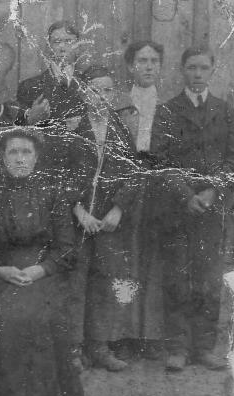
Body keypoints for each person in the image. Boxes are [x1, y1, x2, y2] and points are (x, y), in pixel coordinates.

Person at [0, 128, 83, 396]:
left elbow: (66, 247)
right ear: (3, 157)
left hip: (44, 271)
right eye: (13, 152)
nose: (20, 158)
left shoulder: (53, 191)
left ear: (36, 157)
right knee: (6, 317)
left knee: (36, 315)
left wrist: (40, 270)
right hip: (1, 270)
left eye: (26, 152)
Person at [150, 46, 234, 372]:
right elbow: (160, 161)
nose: (198, 74)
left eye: (204, 68)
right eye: (192, 68)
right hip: (178, 209)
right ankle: (177, 348)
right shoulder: (167, 111)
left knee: (207, 279)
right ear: (182, 70)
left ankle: (204, 347)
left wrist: (212, 192)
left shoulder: (224, 110)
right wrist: (186, 196)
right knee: (177, 278)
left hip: (212, 209)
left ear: (212, 70)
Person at [71, 65, 143, 371]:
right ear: (83, 92)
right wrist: (78, 211)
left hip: (107, 222)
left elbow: (134, 174)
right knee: (75, 282)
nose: (101, 96)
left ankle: (99, 347)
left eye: (107, 90)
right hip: (75, 219)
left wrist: (118, 208)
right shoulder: (72, 128)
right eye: (95, 90)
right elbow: (58, 176)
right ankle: (73, 350)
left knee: (103, 283)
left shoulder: (120, 130)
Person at [112, 40, 168, 360]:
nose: (148, 66)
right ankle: (123, 333)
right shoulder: (119, 104)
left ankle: (151, 334)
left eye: (154, 61)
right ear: (130, 65)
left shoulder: (168, 105)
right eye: (142, 60)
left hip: (156, 185)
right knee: (125, 257)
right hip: (125, 185)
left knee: (153, 257)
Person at [16, 20, 85, 130]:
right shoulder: (29, 86)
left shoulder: (88, 84)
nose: (62, 47)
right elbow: (16, 129)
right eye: (56, 42)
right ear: (49, 47)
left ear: (78, 47)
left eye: (68, 41)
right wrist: (31, 118)